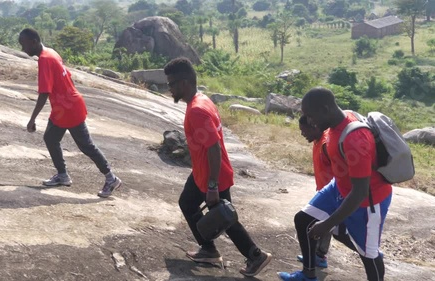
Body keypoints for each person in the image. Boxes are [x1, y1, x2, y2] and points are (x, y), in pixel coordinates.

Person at [164, 57, 272, 277]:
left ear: (184, 83)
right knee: (187, 202)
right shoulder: (200, 100)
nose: (169, 88)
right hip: (201, 173)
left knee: (225, 217)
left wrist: (212, 185)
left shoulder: (197, 110)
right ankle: (208, 249)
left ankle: (255, 255)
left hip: (214, 174)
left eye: (172, 84)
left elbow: (214, 148)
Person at [278, 87, 392, 281]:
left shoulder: (355, 139)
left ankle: (371, 255)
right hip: (339, 187)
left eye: (310, 116)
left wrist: (327, 224)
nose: (309, 121)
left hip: (368, 201)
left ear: (325, 110)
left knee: (369, 256)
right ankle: (308, 274)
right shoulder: (335, 122)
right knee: (303, 220)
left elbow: (360, 191)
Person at [18, 28, 121, 198]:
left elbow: (44, 92)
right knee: (51, 138)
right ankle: (63, 175)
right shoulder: (50, 52)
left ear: (34, 42)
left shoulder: (45, 59)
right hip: (64, 106)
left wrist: (32, 119)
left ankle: (112, 178)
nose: (23, 49)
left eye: (24, 45)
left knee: (86, 146)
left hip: (69, 108)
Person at [297, 116, 333, 268]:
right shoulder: (317, 139)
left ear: (315, 127)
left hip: (331, 194)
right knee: (324, 224)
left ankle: (319, 256)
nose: (302, 134)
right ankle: (317, 254)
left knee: (315, 223)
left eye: (304, 131)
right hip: (323, 190)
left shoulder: (326, 144)